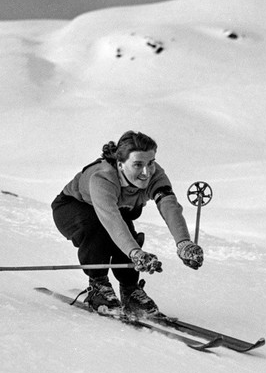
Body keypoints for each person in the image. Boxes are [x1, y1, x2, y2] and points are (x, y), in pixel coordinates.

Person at [52, 130, 204, 315]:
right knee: (100, 232)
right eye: (138, 165)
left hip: (117, 209)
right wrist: (136, 253)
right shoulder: (102, 177)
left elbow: (169, 205)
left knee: (128, 237)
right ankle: (98, 285)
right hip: (73, 207)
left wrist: (183, 242)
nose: (147, 172)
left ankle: (130, 290)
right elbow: (111, 220)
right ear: (120, 164)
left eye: (151, 163)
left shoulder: (155, 174)